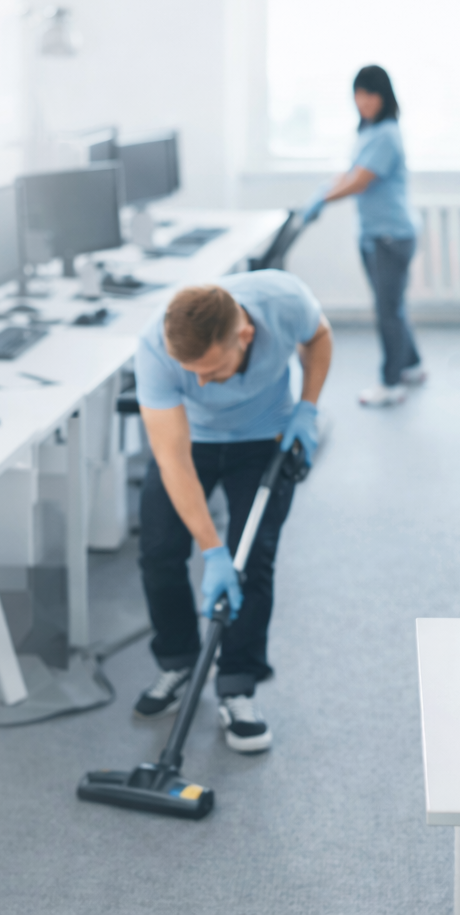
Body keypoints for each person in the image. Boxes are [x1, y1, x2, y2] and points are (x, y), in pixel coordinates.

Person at [132, 271, 332, 752]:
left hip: (264, 438)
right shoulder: (156, 348)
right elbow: (173, 459)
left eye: (211, 368)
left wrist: (307, 407)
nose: (199, 382)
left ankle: (236, 685)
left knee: (253, 560)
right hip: (191, 443)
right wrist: (212, 550)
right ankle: (178, 660)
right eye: (192, 371)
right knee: (159, 550)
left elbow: (319, 336)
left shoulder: (283, 300)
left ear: (244, 335)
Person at [301, 64, 421, 407]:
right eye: (358, 94)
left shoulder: (386, 134)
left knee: (388, 311)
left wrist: (323, 198)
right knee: (392, 307)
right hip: (375, 233)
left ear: (384, 97)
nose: (362, 101)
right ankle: (411, 364)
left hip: (390, 236)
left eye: (369, 94)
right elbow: (350, 171)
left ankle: (391, 382)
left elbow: (360, 181)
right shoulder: (368, 130)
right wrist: (325, 188)